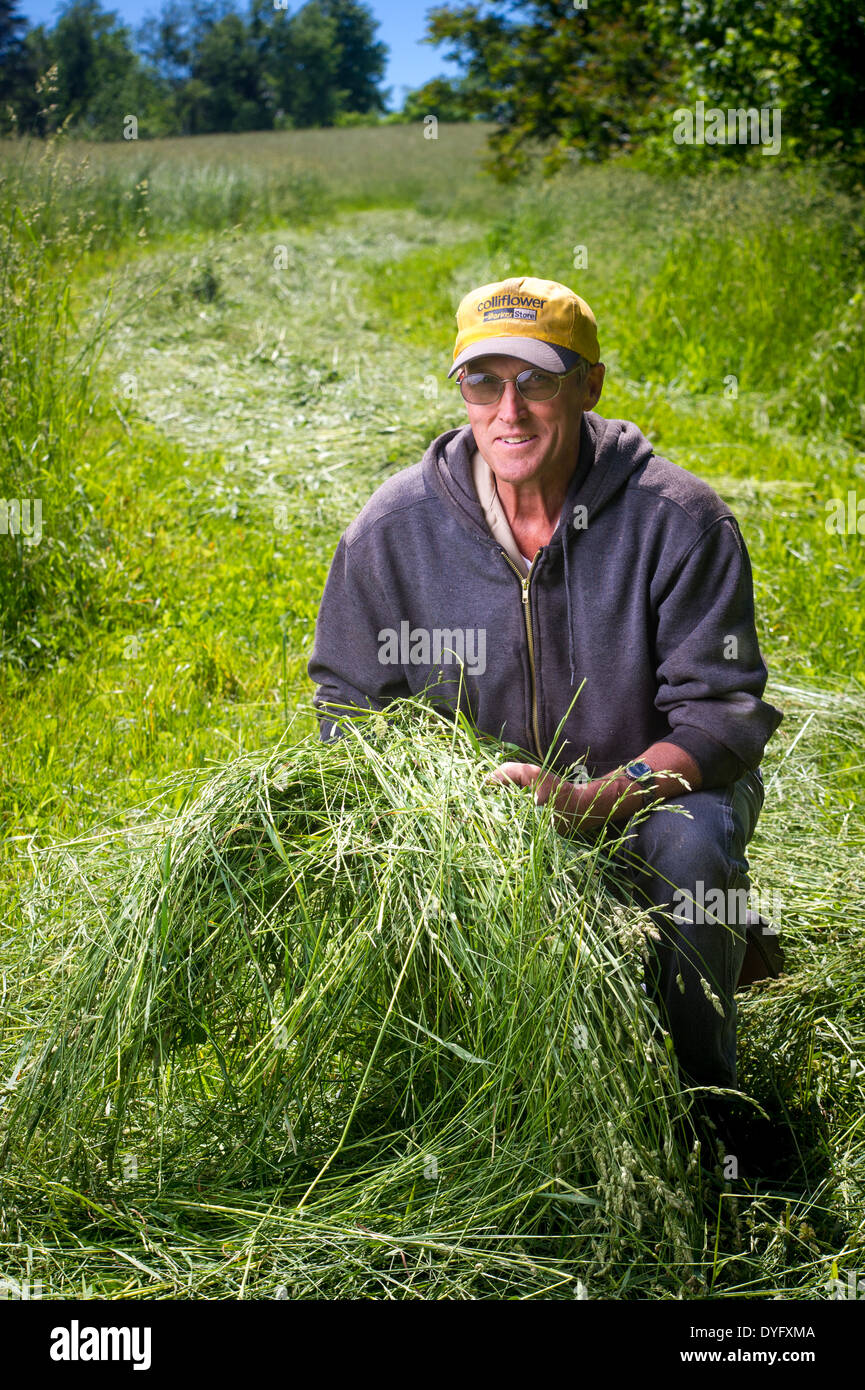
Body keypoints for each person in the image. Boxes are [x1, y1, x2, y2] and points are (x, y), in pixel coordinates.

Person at [307, 275, 784, 1145]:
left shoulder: (676, 520)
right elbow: (350, 710)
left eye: (538, 380)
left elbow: (717, 721)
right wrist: (451, 812)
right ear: (460, 390)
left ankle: (708, 1115)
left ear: (589, 385)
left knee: (689, 847)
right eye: (483, 381)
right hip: (475, 812)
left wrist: (584, 803)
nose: (509, 411)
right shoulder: (392, 530)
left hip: (652, 789)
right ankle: (454, 1118)